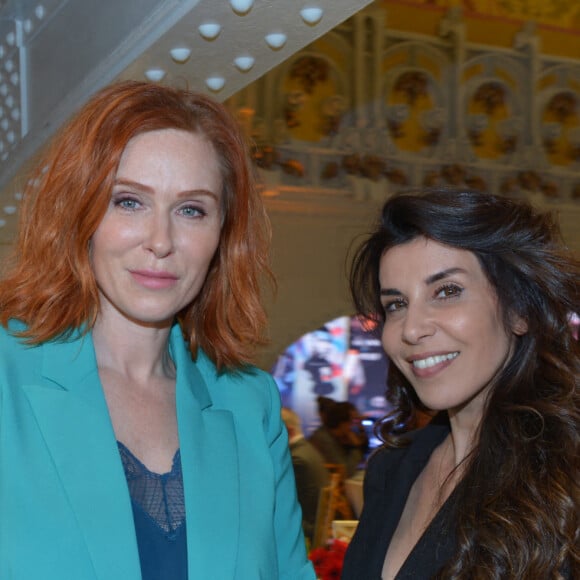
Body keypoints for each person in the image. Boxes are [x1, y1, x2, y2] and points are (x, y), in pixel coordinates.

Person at [0, 81, 315, 580]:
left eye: (192, 210)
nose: (161, 241)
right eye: (129, 201)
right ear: (79, 211)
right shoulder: (6, 377)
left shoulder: (250, 404)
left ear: (222, 235)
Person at [342, 188, 579, 579]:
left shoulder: (564, 472)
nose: (412, 329)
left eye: (447, 292)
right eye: (396, 304)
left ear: (519, 310)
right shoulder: (391, 470)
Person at [281, 407, 330, 543]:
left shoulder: (296, 459)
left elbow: (285, 507)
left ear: (289, 431)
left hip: (306, 532)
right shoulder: (307, 450)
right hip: (314, 526)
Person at [309, 400, 368, 478]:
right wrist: (355, 448)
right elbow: (346, 472)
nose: (356, 425)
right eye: (354, 421)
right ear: (342, 423)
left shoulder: (335, 437)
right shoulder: (323, 439)